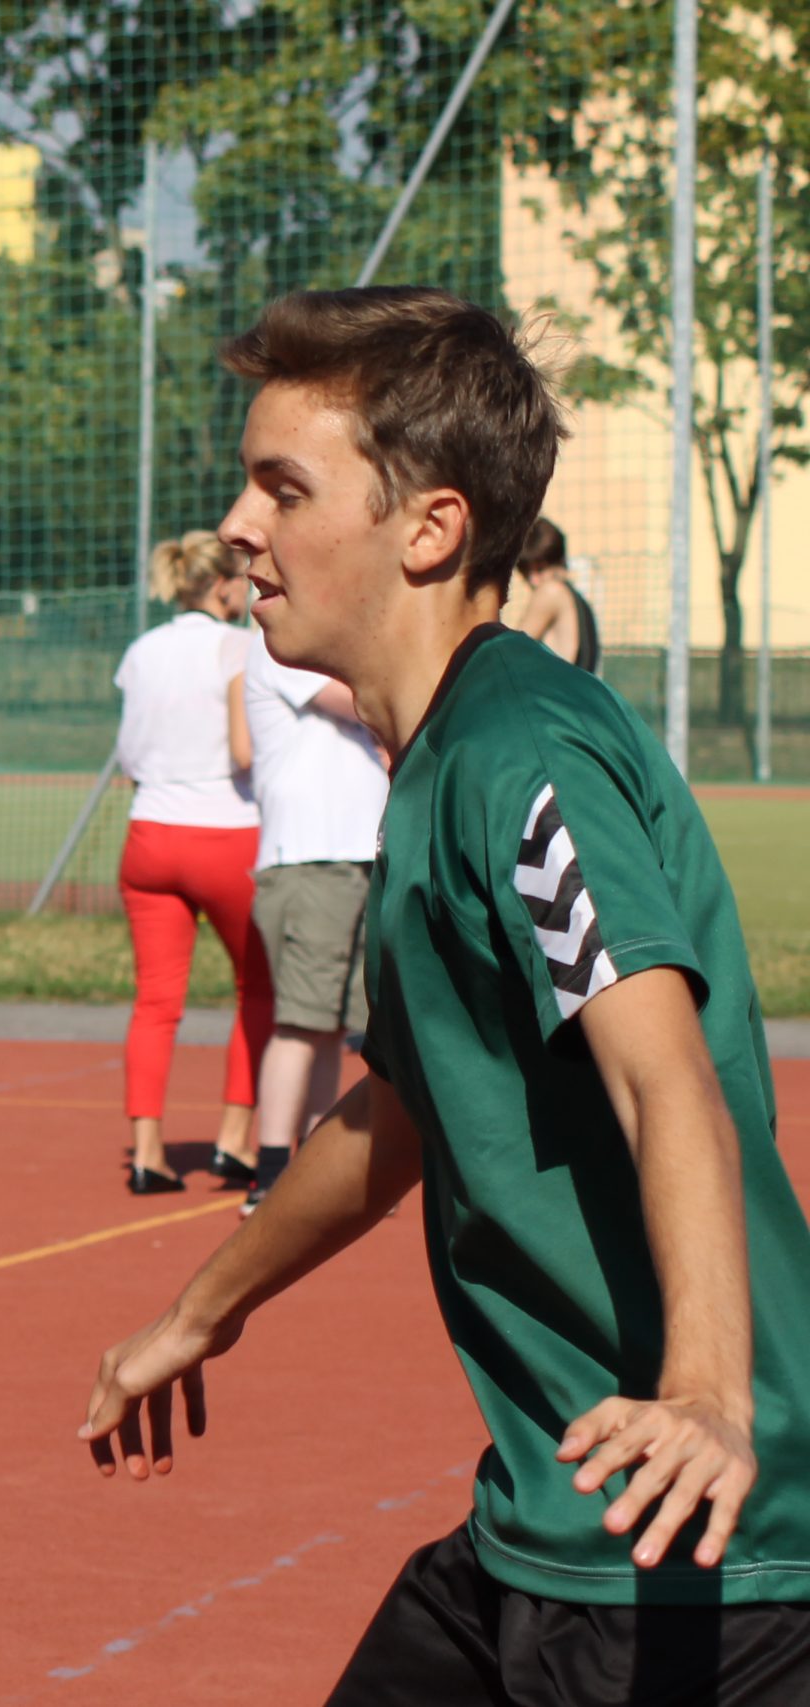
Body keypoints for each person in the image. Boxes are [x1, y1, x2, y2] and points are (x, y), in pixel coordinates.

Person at [82, 286, 810, 1704]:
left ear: (428, 530)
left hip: (693, 1551)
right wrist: (204, 1306)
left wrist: (708, 1391)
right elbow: (401, 1110)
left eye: (284, 488)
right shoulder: (438, 762)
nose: (238, 524)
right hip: (547, 1520)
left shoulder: (518, 756)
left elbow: (664, 1074)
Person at [109, 530, 270, 1193]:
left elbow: (128, 751)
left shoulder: (141, 650)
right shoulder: (240, 646)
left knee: (155, 1001)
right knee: (258, 989)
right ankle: (234, 1139)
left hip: (150, 831)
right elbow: (246, 747)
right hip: (225, 833)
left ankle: (147, 1151)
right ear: (225, 585)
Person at [235, 615, 389, 1213]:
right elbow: (366, 703)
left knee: (330, 1028)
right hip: (309, 859)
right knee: (301, 1023)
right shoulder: (281, 647)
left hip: (351, 856)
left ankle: (315, 1169)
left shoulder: (322, 645)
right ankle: (271, 1174)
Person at [514, 514, 600, 672]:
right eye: (525, 571)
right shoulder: (577, 600)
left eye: (540, 569)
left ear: (557, 560)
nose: (533, 580)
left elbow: (511, 651)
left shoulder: (551, 592)